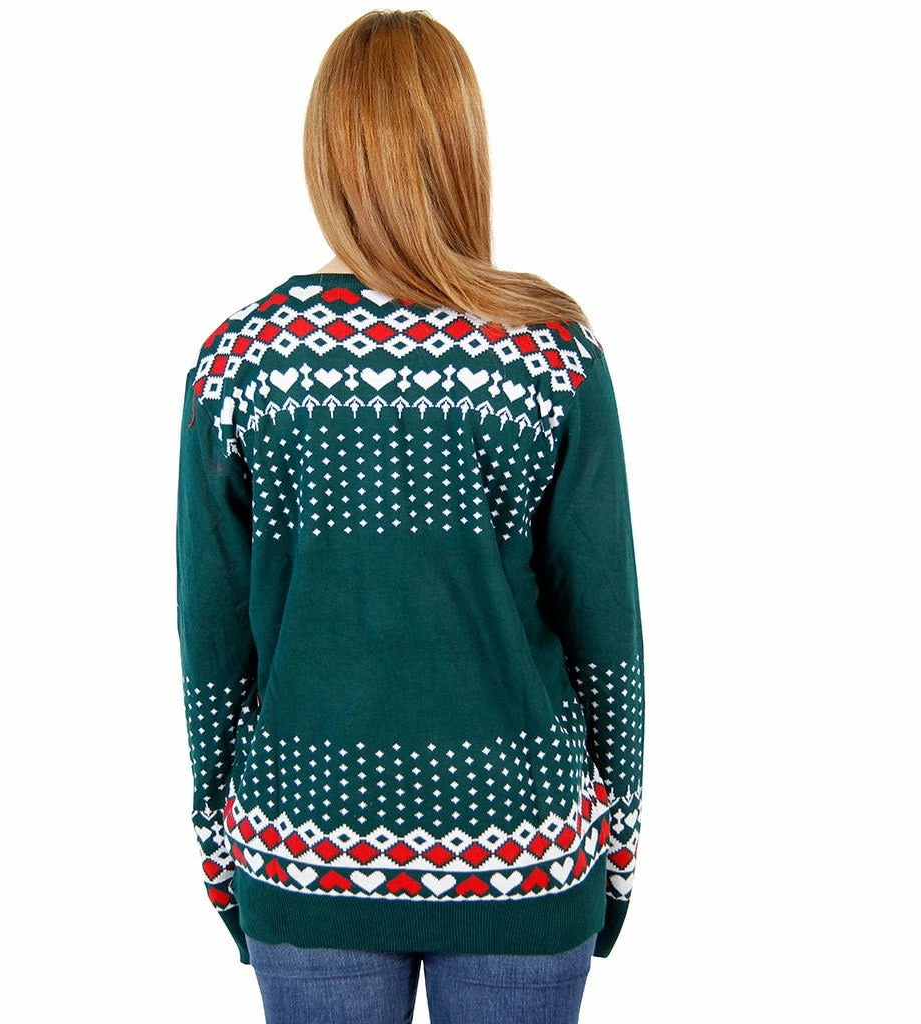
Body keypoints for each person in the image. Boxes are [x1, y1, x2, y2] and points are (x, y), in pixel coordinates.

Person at [175, 9, 645, 1023]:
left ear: (327, 156)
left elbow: (211, 649)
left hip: (304, 848)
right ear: (462, 147)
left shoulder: (240, 364)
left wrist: (223, 858)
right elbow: (607, 634)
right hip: (522, 848)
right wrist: (613, 859)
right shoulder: (549, 353)